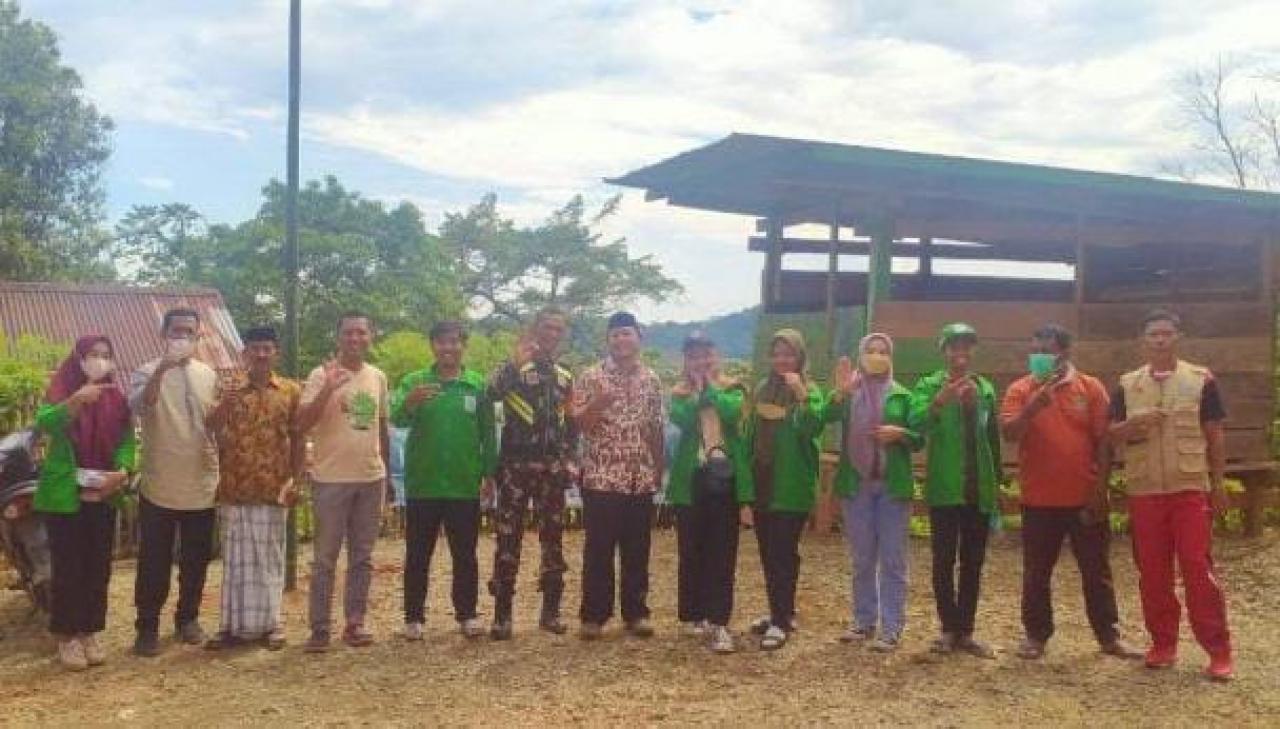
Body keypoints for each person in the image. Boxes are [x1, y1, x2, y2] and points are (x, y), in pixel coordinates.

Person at [1000, 324, 1141, 661]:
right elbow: (1008, 433)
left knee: (1096, 571)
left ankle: (1108, 636)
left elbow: (1104, 442)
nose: (1039, 356)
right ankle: (1036, 635)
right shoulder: (1021, 389)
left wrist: (1100, 489)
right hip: (1038, 500)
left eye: (1046, 349)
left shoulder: (1089, 387)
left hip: (1084, 498)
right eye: (1034, 349)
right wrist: (1033, 406)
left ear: (1064, 352)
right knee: (1036, 572)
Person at [1109, 309, 1234, 680]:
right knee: (1152, 572)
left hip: (1189, 489)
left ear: (1178, 337)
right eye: (1153, 334)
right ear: (1142, 341)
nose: (1160, 339)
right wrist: (1131, 425)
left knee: (1198, 568)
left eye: (1167, 333)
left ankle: (1218, 650)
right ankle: (1163, 644)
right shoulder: (1128, 385)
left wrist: (1220, 481)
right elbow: (1110, 434)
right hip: (1145, 491)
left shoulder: (1201, 380)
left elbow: (1215, 434)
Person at [391, 320, 496, 641]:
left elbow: (488, 433)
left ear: (463, 345)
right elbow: (396, 418)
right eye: (441, 342)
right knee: (417, 555)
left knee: (465, 555)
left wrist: (489, 474)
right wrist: (411, 401)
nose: (447, 348)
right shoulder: (415, 381)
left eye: (454, 342)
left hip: (464, 485)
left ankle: (467, 615)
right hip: (423, 483)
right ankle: (413, 618)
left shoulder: (477, 385)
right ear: (432, 346)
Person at [34, 336, 134, 670]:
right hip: (64, 495)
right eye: (92, 355)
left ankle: (90, 630)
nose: (100, 361)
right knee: (68, 568)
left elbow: (125, 441)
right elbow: (45, 422)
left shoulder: (117, 398)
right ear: (78, 359)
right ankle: (66, 636)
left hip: (102, 492)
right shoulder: (62, 390)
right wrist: (76, 400)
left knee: (97, 567)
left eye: (106, 356)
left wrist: (120, 472)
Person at [204, 327, 303, 651]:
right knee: (235, 563)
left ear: (276, 353)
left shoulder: (290, 391)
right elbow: (210, 427)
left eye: (267, 349)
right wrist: (225, 405)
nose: (261, 354)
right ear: (245, 353)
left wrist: (296, 478)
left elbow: (298, 436)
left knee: (270, 560)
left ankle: (272, 624)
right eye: (255, 348)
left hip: (273, 488)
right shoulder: (229, 387)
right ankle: (230, 626)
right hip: (235, 487)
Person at [129, 307, 220, 657]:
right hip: (159, 484)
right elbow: (139, 407)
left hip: (201, 483)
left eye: (189, 333)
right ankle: (147, 626)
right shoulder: (146, 371)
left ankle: (187, 619)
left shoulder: (209, 374)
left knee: (197, 558)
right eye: (176, 332)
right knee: (153, 560)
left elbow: (213, 426)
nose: (183, 338)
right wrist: (164, 369)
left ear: (198, 338)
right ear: (163, 334)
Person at [298, 312, 391, 652]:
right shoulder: (319, 374)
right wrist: (327, 390)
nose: (355, 339)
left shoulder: (378, 377)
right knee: (324, 558)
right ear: (338, 337)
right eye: (348, 333)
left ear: (371, 337)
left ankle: (355, 622)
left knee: (363, 557)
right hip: (331, 479)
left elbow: (381, 427)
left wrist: (389, 473)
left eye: (361, 333)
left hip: (370, 478)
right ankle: (319, 629)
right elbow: (301, 423)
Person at [909, 322, 1001, 659]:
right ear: (943, 351)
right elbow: (916, 423)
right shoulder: (928, 384)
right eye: (953, 347)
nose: (960, 354)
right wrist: (939, 401)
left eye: (966, 347)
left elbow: (991, 437)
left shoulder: (985, 388)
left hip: (978, 486)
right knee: (943, 560)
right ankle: (948, 628)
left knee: (973, 562)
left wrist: (997, 481)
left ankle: (967, 630)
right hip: (945, 487)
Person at [486, 306, 577, 640]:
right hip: (515, 469)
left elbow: (572, 422)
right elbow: (490, 393)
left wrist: (569, 458)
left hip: (552, 470)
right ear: (534, 330)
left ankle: (550, 613)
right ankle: (502, 616)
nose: (552, 334)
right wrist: (513, 363)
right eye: (546, 328)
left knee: (553, 540)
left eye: (558, 329)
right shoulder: (513, 365)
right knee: (508, 539)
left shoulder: (565, 373)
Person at [573, 312, 665, 640]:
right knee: (598, 549)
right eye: (614, 335)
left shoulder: (652, 379)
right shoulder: (590, 376)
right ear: (607, 341)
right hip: (601, 477)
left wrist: (658, 467)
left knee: (638, 549)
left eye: (626, 333)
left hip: (639, 478)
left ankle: (636, 613)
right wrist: (599, 401)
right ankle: (594, 616)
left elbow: (655, 427)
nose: (620, 340)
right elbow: (579, 424)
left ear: (640, 337)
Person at [826, 334, 920, 653]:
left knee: (893, 560)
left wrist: (901, 433)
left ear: (891, 358)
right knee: (862, 558)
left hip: (893, 487)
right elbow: (823, 417)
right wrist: (839, 392)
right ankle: (863, 621)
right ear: (861, 354)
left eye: (883, 352)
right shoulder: (850, 393)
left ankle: (891, 627)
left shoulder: (902, 395)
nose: (877, 356)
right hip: (858, 486)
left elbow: (919, 438)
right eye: (871, 350)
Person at [667, 332, 752, 654]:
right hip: (691, 481)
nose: (700, 361)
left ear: (716, 356)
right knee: (692, 550)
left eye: (706, 354)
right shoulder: (678, 393)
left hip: (725, 478)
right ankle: (695, 613)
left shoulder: (734, 388)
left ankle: (720, 621)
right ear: (685, 361)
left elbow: (732, 414)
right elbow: (683, 418)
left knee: (722, 552)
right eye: (693, 356)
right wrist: (699, 393)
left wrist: (710, 389)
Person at [747, 329, 825, 651]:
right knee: (770, 553)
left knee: (782, 553)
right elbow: (752, 432)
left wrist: (802, 395)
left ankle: (780, 623)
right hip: (763, 483)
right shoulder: (763, 388)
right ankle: (781, 612)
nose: (782, 359)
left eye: (788, 354)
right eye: (777, 353)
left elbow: (814, 426)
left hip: (791, 485)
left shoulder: (810, 389)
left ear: (800, 357)